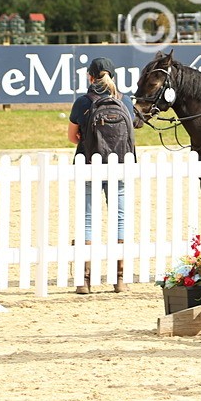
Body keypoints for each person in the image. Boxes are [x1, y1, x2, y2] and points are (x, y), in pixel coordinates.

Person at [68, 57, 136, 294]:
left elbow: (72, 137)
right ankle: (120, 279)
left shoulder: (82, 102)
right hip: (119, 166)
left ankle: (84, 281)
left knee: (87, 218)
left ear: (90, 77)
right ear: (113, 76)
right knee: (120, 218)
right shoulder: (124, 101)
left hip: (89, 165)